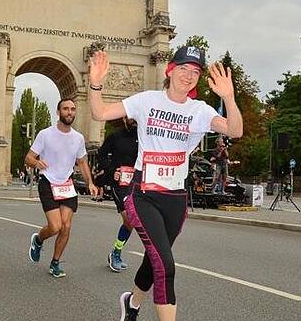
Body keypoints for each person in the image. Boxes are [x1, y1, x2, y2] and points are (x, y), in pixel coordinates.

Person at [88, 46, 243, 321]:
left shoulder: (200, 111)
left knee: (154, 259)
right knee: (166, 266)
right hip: (144, 194)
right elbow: (99, 113)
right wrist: (96, 83)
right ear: (170, 70)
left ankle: (132, 304)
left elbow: (235, 130)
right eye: (183, 68)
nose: (189, 75)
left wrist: (229, 98)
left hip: (175, 198)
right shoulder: (147, 100)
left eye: (195, 71)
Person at [26, 98, 98, 278]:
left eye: (72, 109)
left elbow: (82, 162)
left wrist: (90, 182)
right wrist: (36, 162)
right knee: (56, 226)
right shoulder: (45, 134)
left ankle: (55, 263)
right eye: (65, 109)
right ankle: (39, 239)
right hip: (48, 182)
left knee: (66, 227)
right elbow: (28, 158)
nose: (69, 112)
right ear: (58, 112)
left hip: (67, 184)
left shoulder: (78, 137)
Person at [98, 117, 138, 272]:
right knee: (128, 218)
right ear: (124, 118)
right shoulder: (115, 136)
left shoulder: (143, 136)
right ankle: (115, 253)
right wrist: (111, 170)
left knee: (132, 222)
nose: (134, 120)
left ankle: (116, 251)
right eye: (131, 116)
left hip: (136, 184)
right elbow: (101, 155)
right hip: (118, 184)